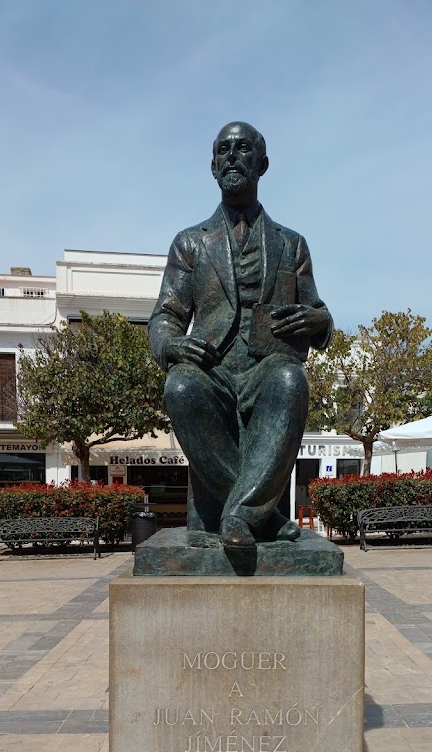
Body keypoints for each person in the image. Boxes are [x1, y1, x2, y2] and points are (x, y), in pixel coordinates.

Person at [149, 121, 332, 549]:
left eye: (244, 148)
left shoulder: (292, 243)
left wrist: (319, 322)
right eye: (223, 150)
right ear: (213, 166)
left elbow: (318, 311)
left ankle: (239, 513)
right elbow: (165, 317)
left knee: (290, 380)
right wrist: (172, 344)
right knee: (179, 385)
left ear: (262, 164)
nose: (233, 156)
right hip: (212, 370)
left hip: (267, 367)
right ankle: (258, 515)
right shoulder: (189, 243)